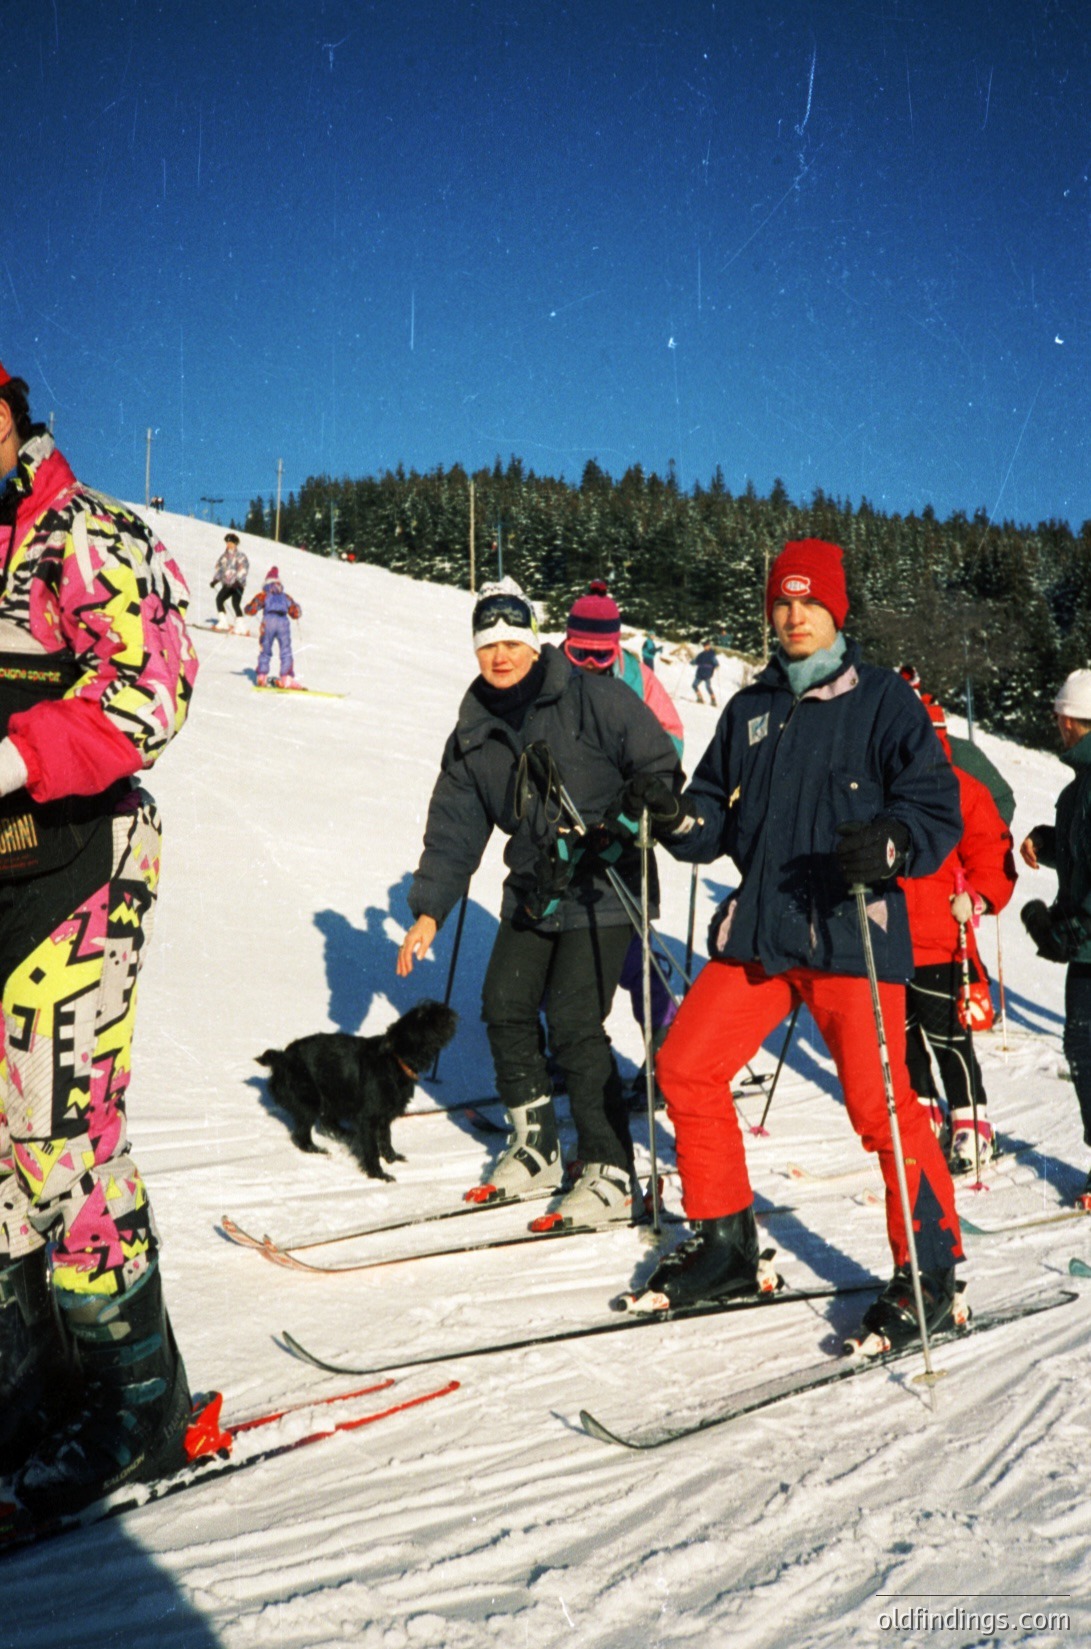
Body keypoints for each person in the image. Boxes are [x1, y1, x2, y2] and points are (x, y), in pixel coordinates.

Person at [620, 538, 964, 1350]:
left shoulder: (883, 700)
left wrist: (890, 842)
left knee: (880, 1111)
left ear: (835, 609)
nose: (794, 615)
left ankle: (931, 1274)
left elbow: (934, 807)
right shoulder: (750, 708)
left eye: (808, 602)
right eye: (782, 602)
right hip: (763, 932)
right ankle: (726, 1246)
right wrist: (675, 818)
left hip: (850, 937)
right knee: (686, 1066)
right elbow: (711, 817)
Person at [0, 363, 198, 1515]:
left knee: (62, 1138)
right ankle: (30, 1390)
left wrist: (19, 756)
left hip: (79, 863)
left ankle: (136, 1406)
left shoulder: (81, 532)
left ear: (18, 419)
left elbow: (155, 682)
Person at [396, 577, 683, 1227]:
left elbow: (658, 762)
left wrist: (640, 810)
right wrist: (429, 908)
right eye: (486, 643)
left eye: (510, 640)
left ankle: (609, 1168)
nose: (499, 654)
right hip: (534, 884)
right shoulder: (475, 728)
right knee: (504, 1003)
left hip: (604, 881)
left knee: (577, 1020)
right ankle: (536, 1146)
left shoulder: (595, 697)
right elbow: (455, 823)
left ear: (532, 641)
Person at [563, 581, 683, 1084]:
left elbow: (671, 742)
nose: (590, 665)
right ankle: (577, 1057)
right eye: (580, 654)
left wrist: (639, 801)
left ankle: (666, 1051)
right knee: (564, 946)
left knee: (631, 949)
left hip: (626, 834)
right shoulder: (555, 673)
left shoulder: (638, 676)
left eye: (600, 655)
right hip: (568, 835)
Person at [899, 691, 1016, 1173]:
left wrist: (981, 897)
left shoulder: (963, 789)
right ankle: (924, 1115)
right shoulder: (880, 788)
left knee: (949, 1039)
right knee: (903, 1040)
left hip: (941, 940)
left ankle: (972, 1126)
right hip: (887, 940)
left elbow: (992, 852)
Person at [1019, 668, 1091, 1210]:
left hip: (1087, 945)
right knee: (1083, 1048)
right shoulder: (1074, 792)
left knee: (1087, 1050)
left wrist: (1072, 928)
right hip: (1084, 947)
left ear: (1069, 720)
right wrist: (1049, 841)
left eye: (1057, 715)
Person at [245, 565, 303, 687]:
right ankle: (286, 677)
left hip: (268, 621)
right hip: (283, 622)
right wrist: (297, 612)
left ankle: (262, 676)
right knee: (285, 649)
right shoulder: (285, 596)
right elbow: (294, 610)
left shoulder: (264, 595)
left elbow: (252, 608)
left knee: (265, 650)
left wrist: (248, 609)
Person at [210, 531, 249, 629]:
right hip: (227, 584)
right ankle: (223, 622)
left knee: (235, 603)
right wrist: (215, 580)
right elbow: (220, 570)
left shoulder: (240, 556)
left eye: (230, 543)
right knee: (219, 599)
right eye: (227, 542)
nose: (228, 545)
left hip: (237, 584)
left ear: (235, 544)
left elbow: (243, 569)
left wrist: (238, 581)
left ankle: (241, 625)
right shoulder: (224, 557)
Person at [692, 640, 719, 706]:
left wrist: (716, 665)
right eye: (704, 646)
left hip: (707, 673)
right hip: (700, 673)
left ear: (709, 646)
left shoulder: (712, 654)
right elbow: (696, 661)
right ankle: (700, 698)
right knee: (694, 685)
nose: (705, 647)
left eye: (706, 646)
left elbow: (716, 663)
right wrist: (691, 662)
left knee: (708, 687)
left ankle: (713, 700)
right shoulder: (701, 654)